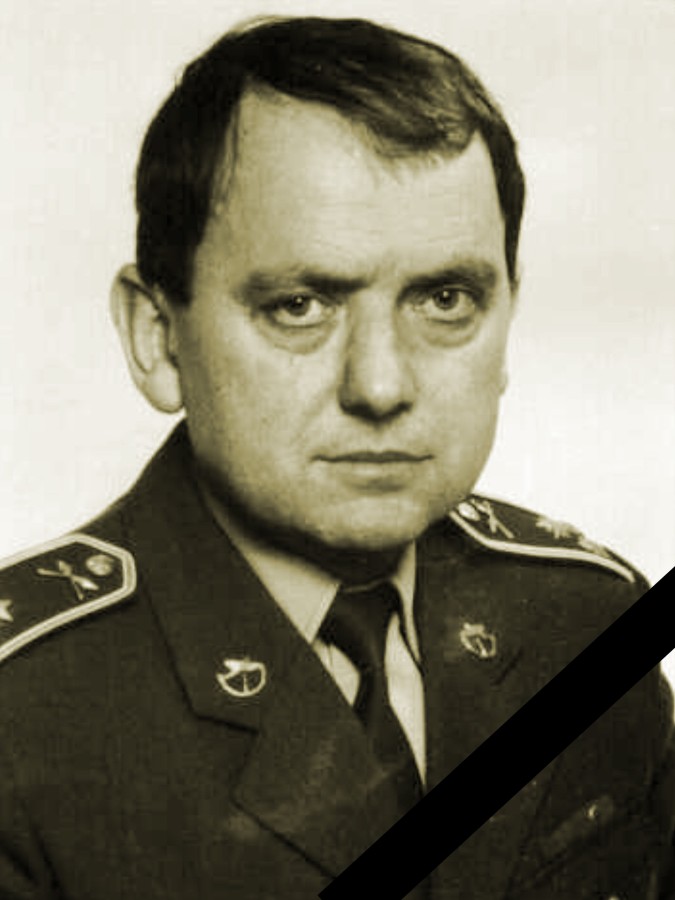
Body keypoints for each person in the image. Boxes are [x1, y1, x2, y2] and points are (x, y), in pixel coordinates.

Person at [0, 15, 672, 899]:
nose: (381, 385)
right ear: (158, 338)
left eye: (444, 299)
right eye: (300, 305)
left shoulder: (582, 623)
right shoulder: (25, 713)